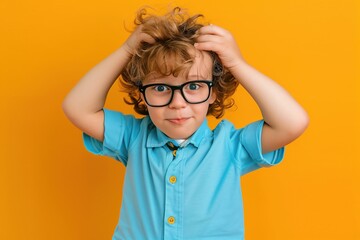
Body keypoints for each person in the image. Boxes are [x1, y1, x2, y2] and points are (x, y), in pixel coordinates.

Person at [62, 6, 309, 240]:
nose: (178, 103)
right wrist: (127, 50)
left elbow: (293, 122)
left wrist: (237, 64)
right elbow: (77, 108)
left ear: (213, 92)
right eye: (160, 87)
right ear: (142, 95)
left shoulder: (230, 146)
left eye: (193, 86)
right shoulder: (133, 137)